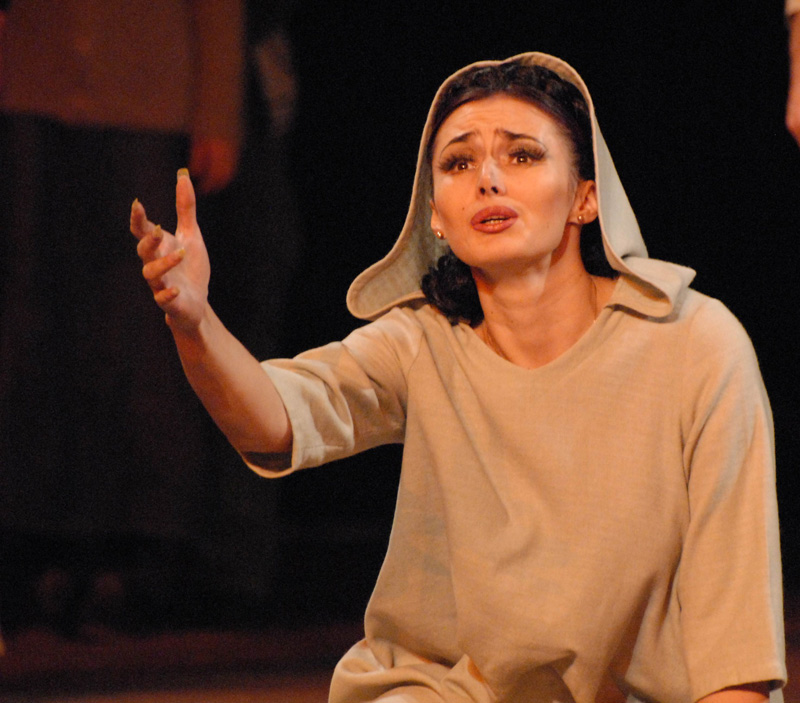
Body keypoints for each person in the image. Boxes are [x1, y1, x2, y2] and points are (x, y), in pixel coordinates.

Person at [131, 53, 785, 702]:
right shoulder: (424, 341)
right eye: (459, 162)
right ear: (435, 216)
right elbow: (275, 418)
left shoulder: (694, 344)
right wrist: (195, 321)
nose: (488, 179)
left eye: (522, 155)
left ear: (587, 197)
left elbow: (736, 646)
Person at [0, 0, 244, 635]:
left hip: (148, 96)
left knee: (142, 324)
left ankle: (142, 548)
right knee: (33, 320)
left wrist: (218, 111)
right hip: (29, 82)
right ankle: (45, 540)